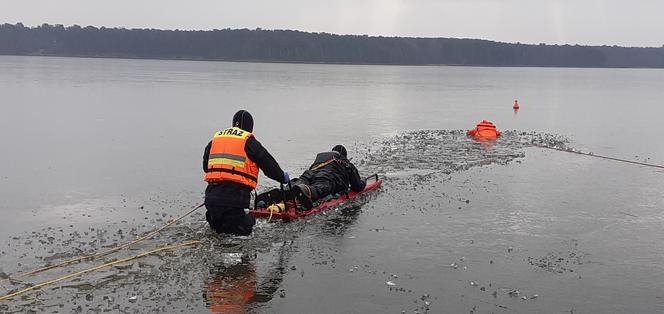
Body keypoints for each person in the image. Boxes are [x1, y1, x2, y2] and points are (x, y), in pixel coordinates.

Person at [203, 110, 289, 235]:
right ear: (250, 127)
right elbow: (269, 165)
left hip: (211, 200)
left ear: (233, 124)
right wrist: (282, 177)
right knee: (242, 232)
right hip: (235, 200)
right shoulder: (249, 142)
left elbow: (207, 168)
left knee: (218, 233)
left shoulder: (215, 141)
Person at [289, 145, 366, 210]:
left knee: (302, 180)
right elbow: (357, 187)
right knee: (321, 187)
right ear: (344, 155)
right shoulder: (345, 162)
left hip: (310, 172)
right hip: (327, 176)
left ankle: (287, 190)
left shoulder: (320, 158)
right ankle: (306, 190)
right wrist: (364, 181)